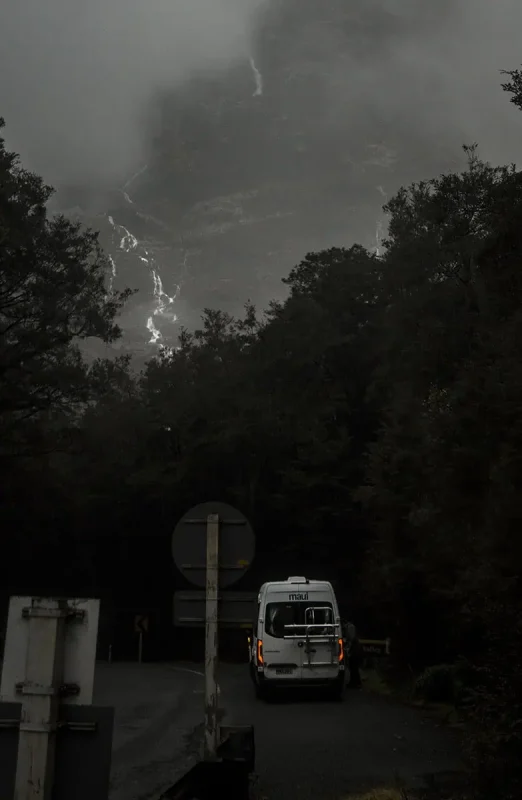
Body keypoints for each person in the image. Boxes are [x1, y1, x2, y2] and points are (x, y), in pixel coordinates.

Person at [342, 620, 362, 688]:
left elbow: (350, 638)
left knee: (353, 668)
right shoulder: (350, 627)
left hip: (354, 652)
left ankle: (354, 683)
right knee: (354, 668)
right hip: (355, 650)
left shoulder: (350, 627)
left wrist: (350, 653)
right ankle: (356, 682)